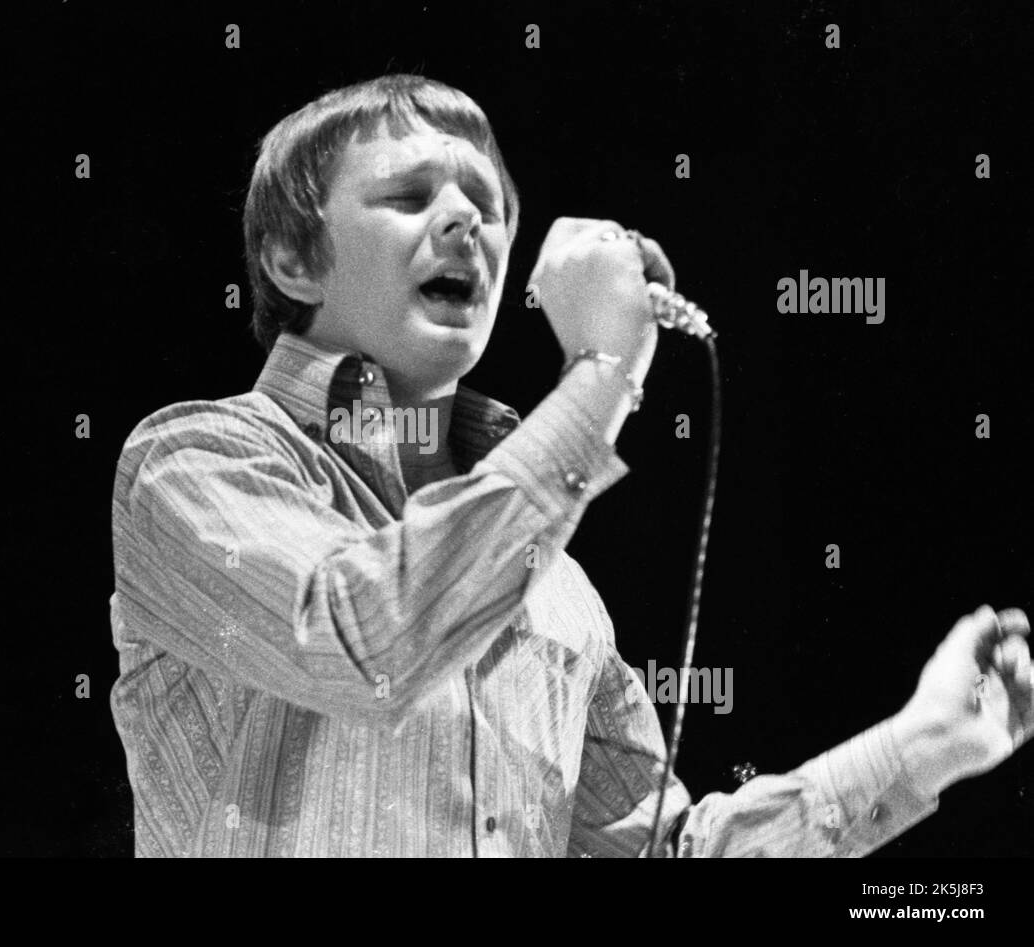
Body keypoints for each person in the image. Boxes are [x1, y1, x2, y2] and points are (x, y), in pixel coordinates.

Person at [108, 74, 1033, 857]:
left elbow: (664, 850)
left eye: (490, 202)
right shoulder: (196, 462)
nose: (467, 218)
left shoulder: (553, 584)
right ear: (292, 259)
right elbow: (366, 640)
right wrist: (598, 381)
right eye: (409, 195)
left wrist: (919, 749)